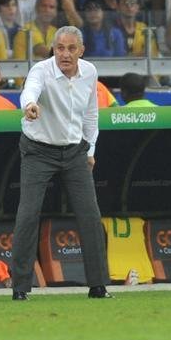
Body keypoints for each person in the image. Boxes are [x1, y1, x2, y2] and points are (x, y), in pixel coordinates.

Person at [10, 27, 111, 300]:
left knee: (90, 215)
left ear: (81, 50)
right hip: (37, 151)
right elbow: (29, 90)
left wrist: (90, 149)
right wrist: (29, 105)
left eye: (70, 48)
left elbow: (91, 114)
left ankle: (98, 286)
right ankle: (20, 288)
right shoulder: (41, 70)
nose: (64, 54)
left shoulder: (89, 72)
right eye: (59, 48)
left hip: (75, 152)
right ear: (53, 49)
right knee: (28, 214)